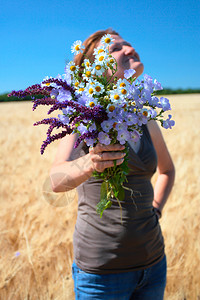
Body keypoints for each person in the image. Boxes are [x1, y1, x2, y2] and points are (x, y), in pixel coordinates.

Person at [50, 29, 175, 299]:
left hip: (153, 264)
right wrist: (90, 162)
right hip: (100, 274)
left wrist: (157, 211)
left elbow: (167, 170)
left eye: (129, 43)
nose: (129, 49)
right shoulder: (81, 115)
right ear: (96, 69)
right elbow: (56, 180)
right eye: (116, 48)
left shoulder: (144, 113)